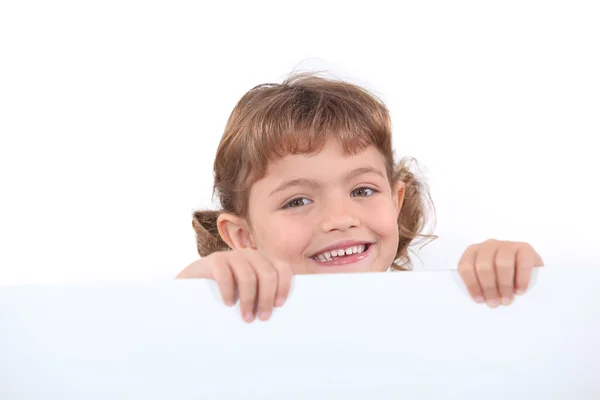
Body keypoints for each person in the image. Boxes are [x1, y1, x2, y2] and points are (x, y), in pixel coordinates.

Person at [176, 71, 544, 323]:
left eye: (362, 191)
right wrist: (198, 291)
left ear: (395, 201)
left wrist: (510, 275)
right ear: (243, 237)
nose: (340, 217)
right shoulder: (229, 318)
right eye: (298, 201)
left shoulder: (433, 313)